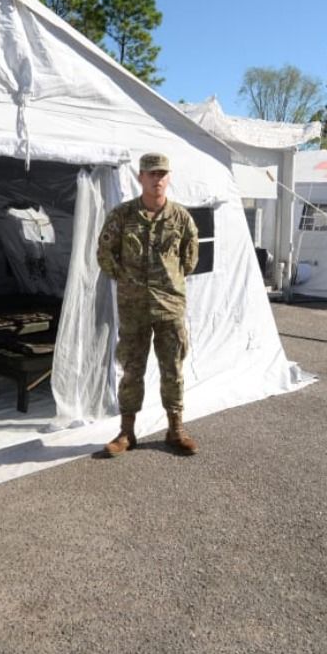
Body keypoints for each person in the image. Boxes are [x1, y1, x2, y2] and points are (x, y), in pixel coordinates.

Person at [96, 152, 201, 456]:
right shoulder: (122, 215)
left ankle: (175, 428)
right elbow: (105, 254)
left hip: (170, 307)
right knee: (131, 369)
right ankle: (126, 433)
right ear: (140, 177)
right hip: (134, 308)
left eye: (162, 174)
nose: (157, 179)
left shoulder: (180, 217)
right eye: (151, 173)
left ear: (168, 178)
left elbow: (190, 258)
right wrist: (127, 281)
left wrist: (170, 283)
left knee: (173, 368)